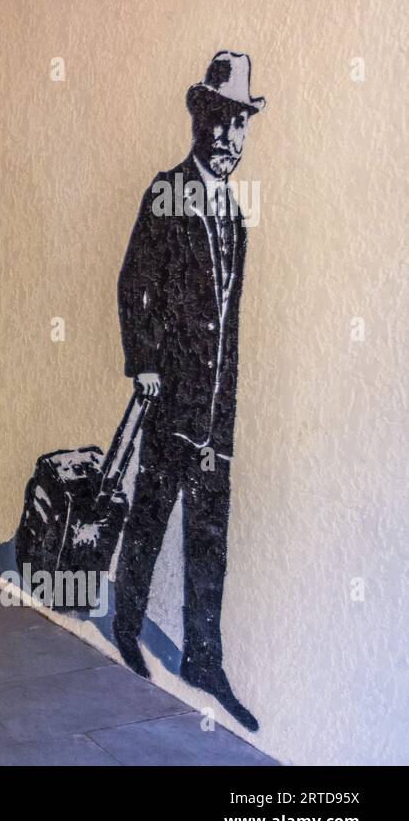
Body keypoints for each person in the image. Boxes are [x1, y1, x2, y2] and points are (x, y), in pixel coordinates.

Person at [114, 51, 265, 732]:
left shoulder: (234, 215)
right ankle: (125, 619)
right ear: (201, 119)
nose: (233, 138)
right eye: (223, 122)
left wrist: (227, 410)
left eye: (242, 125)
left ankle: (204, 656)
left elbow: (228, 326)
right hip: (170, 403)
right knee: (150, 515)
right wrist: (144, 362)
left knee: (210, 538)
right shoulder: (165, 191)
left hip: (215, 417)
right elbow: (132, 283)